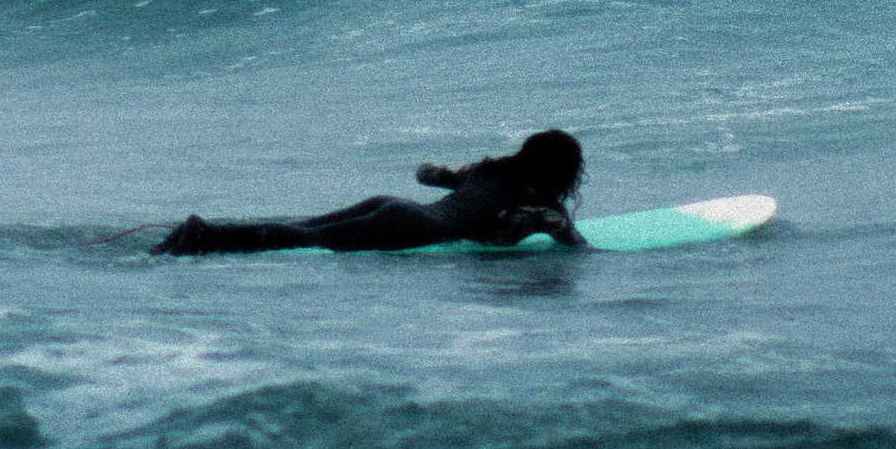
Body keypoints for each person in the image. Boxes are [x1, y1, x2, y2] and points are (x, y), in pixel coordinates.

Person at [153, 129, 589, 255]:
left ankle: (206, 232)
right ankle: (203, 238)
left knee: (301, 229)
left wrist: (440, 169)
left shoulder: (488, 170)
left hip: (396, 206)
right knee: (308, 240)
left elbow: (426, 175)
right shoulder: (544, 211)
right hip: (410, 227)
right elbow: (578, 249)